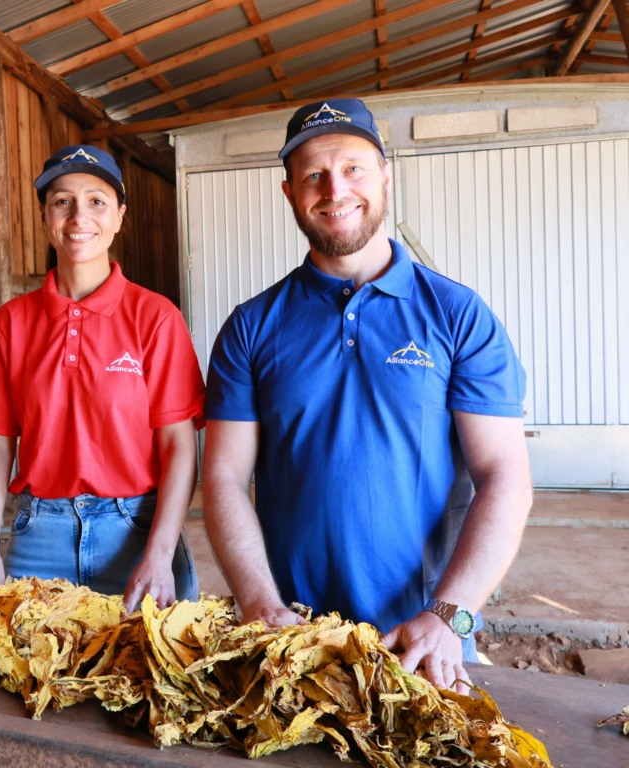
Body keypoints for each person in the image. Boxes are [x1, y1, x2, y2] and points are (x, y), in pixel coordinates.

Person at [201, 99, 532, 693]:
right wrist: (258, 602)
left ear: (385, 177)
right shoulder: (251, 327)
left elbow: (504, 475)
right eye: (314, 175)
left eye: (353, 168)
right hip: (293, 637)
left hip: (421, 641)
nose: (336, 189)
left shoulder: (457, 315)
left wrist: (449, 616)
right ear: (290, 192)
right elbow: (224, 477)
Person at [0, 145, 205, 614]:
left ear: (119, 216)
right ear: (45, 217)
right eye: (62, 201)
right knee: (21, 657)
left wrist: (161, 554)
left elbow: (178, 446)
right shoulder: (11, 323)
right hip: (39, 533)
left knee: (156, 657)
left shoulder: (155, 317)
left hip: (138, 531)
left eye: (97, 201)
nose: (79, 216)